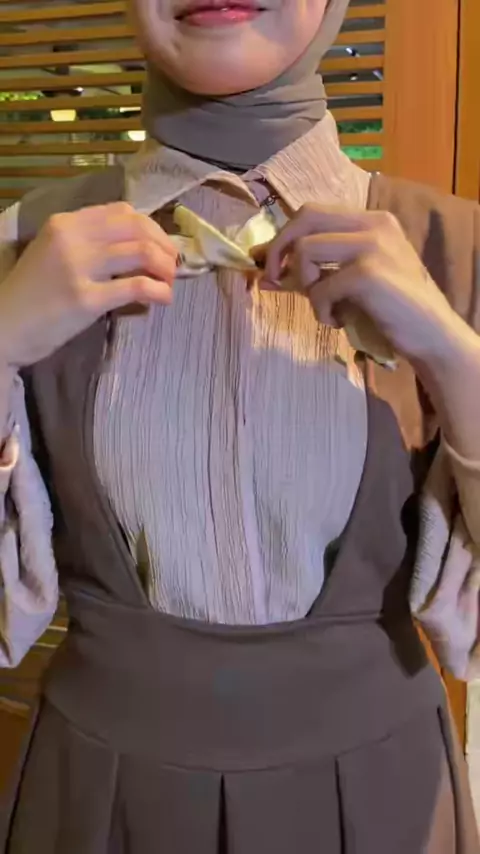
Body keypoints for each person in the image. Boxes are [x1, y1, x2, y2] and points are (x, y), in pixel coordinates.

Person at [0, 0, 479, 850]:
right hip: (96, 804)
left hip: (385, 806)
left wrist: (455, 358)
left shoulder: (461, 251)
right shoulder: (20, 250)